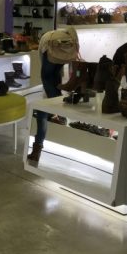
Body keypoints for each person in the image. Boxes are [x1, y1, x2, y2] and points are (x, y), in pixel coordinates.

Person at [27, 28, 79, 162]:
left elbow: (46, 70)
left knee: (43, 105)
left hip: (49, 47)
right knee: (53, 77)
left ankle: (37, 150)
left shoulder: (47, 38)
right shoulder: (69, 38)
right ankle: (58, 112)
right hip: (57, 54)